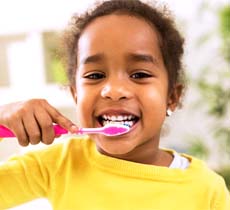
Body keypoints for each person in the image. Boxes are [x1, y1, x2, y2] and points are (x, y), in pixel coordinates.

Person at [0, 0, 229, 209]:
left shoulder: (206, 189)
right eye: (95, 75)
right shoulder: (56, 164)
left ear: (172, 97)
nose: (114, 91)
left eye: (139, 74)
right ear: (75, 95)